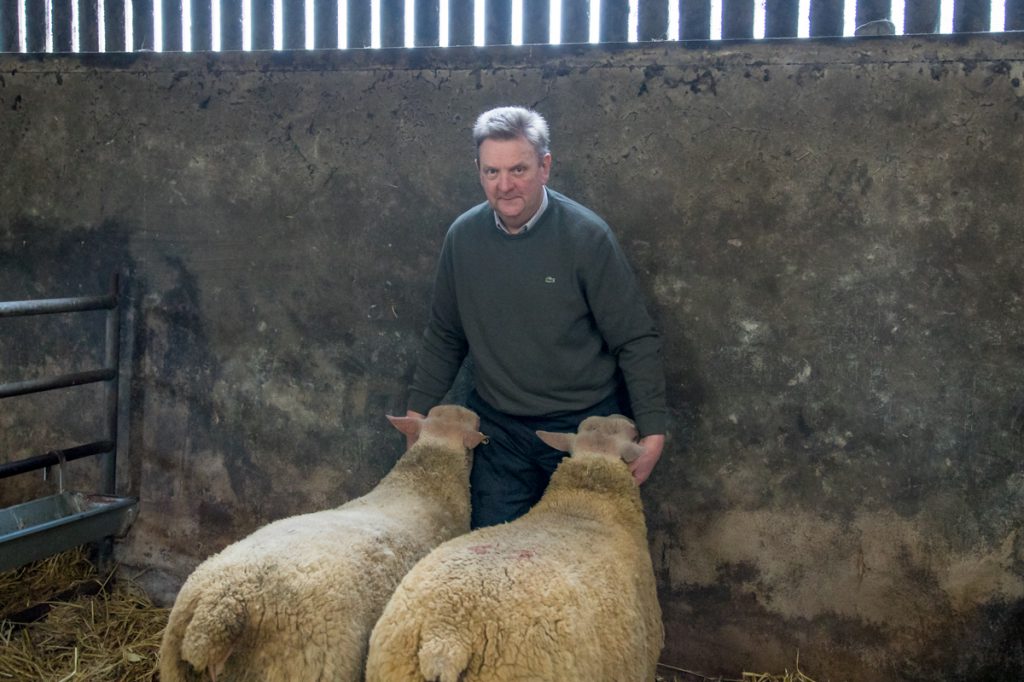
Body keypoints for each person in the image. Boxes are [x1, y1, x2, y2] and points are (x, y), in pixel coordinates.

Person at [405, 105, 666, 529]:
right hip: (500, 430)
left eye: (518, 170)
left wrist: (653, 429)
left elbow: (634, 339)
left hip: (583, 432)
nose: (504, 185)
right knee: (493, 556)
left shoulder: (586, 237)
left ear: (545, 166)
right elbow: (446, 333)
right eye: (492, 172)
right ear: (478, 171)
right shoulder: (463, 238)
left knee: (585, 555)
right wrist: (417, 413)